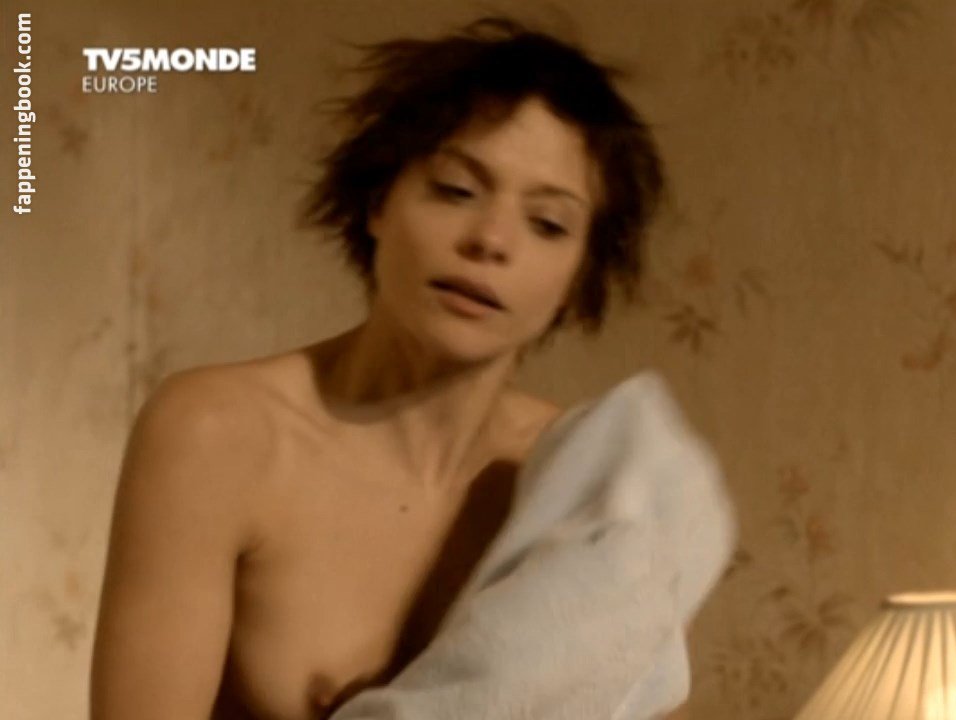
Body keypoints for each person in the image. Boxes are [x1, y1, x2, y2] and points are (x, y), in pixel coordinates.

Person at [89, 17, 689, 719]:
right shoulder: (219, 434)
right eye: (456, 190)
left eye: (548, 224)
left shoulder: (579, 486)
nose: (491, 240)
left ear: (577, 277)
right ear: (379, 202)